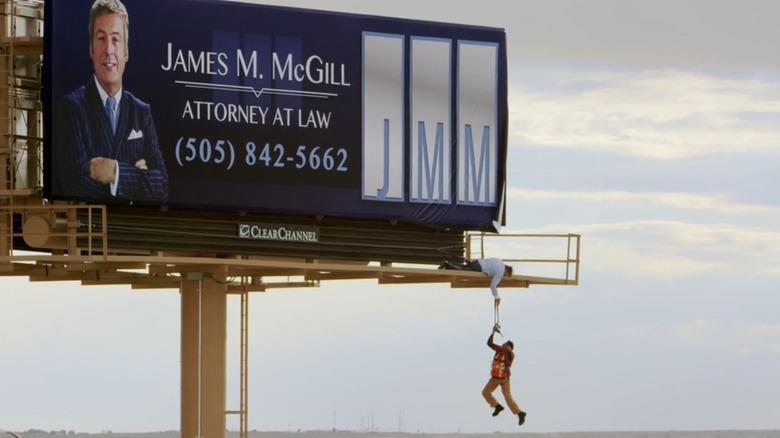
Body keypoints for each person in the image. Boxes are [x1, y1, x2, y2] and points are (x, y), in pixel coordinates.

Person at [55, 0, 169, 204]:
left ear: (126, 52)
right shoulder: (72, 107)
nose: (108, 50)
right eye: (101, 39)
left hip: (133, 228)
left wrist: (115, 172)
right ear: (91, 48)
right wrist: (136, 180)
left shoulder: (141, 112)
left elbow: (161, 186)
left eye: (116, 40)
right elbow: (76, 186)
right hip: (88, 228)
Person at [482, 327, 527, 426]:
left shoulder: (511, 355)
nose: (503, 344)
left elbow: (510, 353)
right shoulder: (499, 350)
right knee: (485, 392)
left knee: (507, 397)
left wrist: (508, 348)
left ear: (509, 347)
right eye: (504, 344)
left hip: (504, 380)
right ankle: (497, 406)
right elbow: (489, 343)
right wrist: (493, 332)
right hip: (494, 379)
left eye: (506, 344)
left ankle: (520, 413)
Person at [438, 257, 513, 304]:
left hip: (477, 262)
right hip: (479, 268)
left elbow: (490, 265)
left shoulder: (499, 260)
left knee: (461, 269)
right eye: (505, 275)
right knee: (461, 273)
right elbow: (493, 286)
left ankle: (447, 266)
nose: (504, 276)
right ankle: (446, 264)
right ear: (507, 270)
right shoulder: (500, 271)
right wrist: (497, 297)